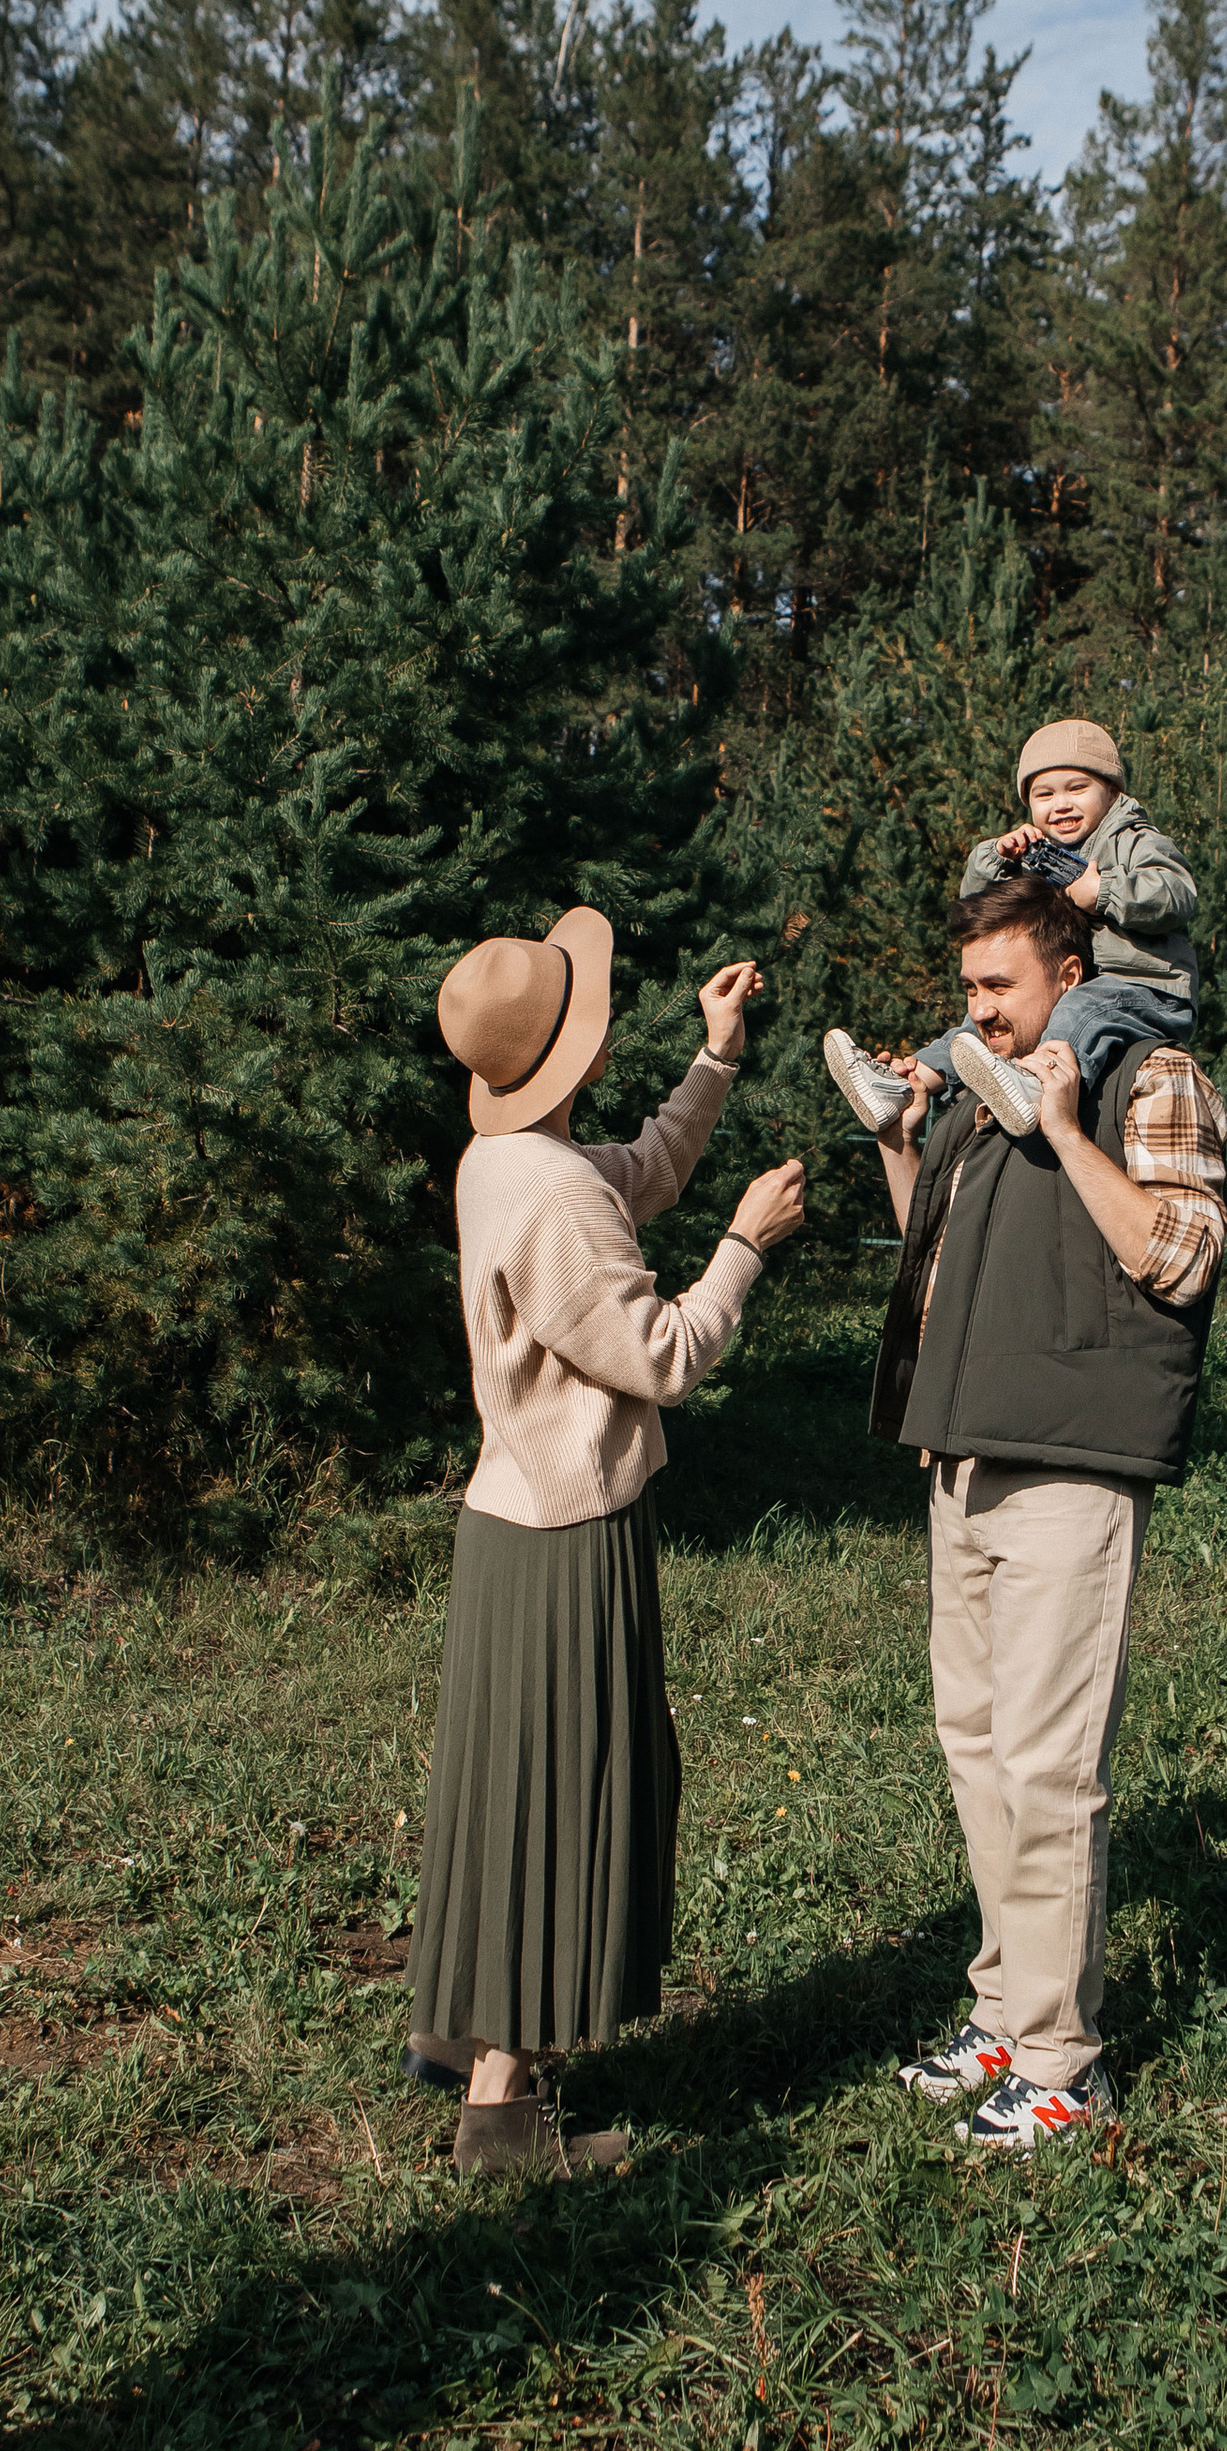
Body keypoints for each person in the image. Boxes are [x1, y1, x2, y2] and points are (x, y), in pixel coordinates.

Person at [409, 908, 807, 2175]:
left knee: (498, 1789)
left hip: (506, 1526)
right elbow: (662, 1354)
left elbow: (632, 1177)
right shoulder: (548, 1196)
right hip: (566, 1538)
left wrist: (715, 1058)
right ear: (568, 1058)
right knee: (562, 1799)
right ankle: (503, 2110)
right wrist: (746, 1247)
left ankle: (457, 2024)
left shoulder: (512, 1164)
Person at [863, 871, 1226, 2147]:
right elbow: (947, 1266)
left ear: (1069, 976)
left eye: (997, 986)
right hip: (963, 1457)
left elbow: (1179, 1255)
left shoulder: (1151, 1079)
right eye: (967, 987)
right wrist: (904, 1147)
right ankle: (1005, 2017)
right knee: (975, 1748)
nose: (977, 1010)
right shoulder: (972, 1094)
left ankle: (1066, 2066)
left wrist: (1069, 1129)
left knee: (1048, 1766)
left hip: (1073, 1464)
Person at [824, 717, 1197, 1146]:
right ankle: (908, 1086)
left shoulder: (1133, 840)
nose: (1061, 804)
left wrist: (1105, 890)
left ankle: (1037, 1085)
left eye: (1077, 788)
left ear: (1112, 792)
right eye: (1044, 794)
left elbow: (1177, 894)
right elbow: (980, 915)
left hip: (1143, 988)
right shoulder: (1040, 854)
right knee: (981, 1021)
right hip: (1073, 985)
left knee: (1083, 1009)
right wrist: (994, 861)